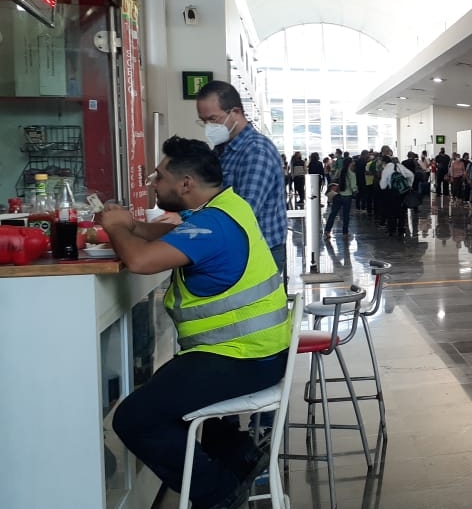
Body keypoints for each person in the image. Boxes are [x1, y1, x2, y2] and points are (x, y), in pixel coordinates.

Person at [102, 137, 289, 509]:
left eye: (159, 176)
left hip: (242, 357)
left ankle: (216, 491)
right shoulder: (226, 208)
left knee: (133, 418)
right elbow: (174, 236)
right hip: (257, 352)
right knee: (166, 393)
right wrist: (133, 227)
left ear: (185, 184)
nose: (153, 183)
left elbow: (139, 261)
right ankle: (238, 455)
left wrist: (117, 228)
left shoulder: (212, 227)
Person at [195, 81, 288, 278]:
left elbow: (244, 211)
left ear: (235, 112)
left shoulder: (255, 151)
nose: (208, 128)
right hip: (233, 247)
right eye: (203, 121)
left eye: (213, 119)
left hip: (257, 251)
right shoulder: (223, 149)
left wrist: (189, 220)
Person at [380, 149, 415, 236]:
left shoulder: (386, 169)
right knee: (402, 211)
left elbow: (383, 185)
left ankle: (392, 229)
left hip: (392, 193)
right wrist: (409, 184)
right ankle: (401, 228)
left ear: (384, 162)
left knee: (391, 211)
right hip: (403, 192)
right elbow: (411, 175)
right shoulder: (399, 166)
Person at [324, 157, 356, 238]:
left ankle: (327, 231)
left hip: (338, 195)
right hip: (347, 196)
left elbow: (334, 178)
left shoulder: (340, 170)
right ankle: (345, 233)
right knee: (346, 215)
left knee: (333, 214)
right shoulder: (352, 174)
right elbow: (353, 187)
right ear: (350, 163)